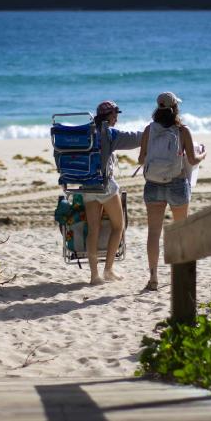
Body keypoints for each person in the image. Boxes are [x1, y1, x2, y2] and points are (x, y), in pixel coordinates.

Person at [138, 91, 206, 291]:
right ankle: (180, 275)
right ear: (175, 108)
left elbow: (141, 159)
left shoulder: (149, 130)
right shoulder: (182, 130)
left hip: (153, 184)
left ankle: (153, 278)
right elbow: (192, 159)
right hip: (177, 184)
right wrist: (203, 155)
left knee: (153, 233)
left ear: (158, 108)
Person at [84, 100, 142, 285]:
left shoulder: (86, 132)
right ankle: (108, 270)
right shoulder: (108, 133)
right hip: (105, 186)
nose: (116, 118)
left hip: (86, 185)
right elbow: (134, 138)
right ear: (107, 116)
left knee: (93, 229)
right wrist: (152, 132)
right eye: (114, 115)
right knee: (119, 226)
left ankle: (94, 276)